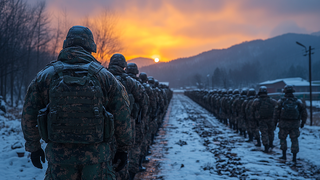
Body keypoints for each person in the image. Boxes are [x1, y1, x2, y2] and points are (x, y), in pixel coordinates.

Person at [21, 26, 132, 180]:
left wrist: (33, 147)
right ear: (91, 47)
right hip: (97, 159)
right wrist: (123, 149)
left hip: (59, 159)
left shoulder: (45, 76)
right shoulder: (105, 77)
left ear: (66, 44)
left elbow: (28, 115)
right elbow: (122, 116)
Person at [108, 54, 146, 180]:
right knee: (124, 158)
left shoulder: (101, 76)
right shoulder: (130, 82)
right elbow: (144, 100)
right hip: (127, 124)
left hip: (104, 126)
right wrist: (140, 117)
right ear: (123, 65)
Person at [273, 85, 307, 162]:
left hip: (283, 124)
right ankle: (294, 157)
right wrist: (303, 122)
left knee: (283, 139)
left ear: (284, 92)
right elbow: (304, 113)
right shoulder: (298, 102)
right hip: (295, 124)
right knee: (294, 140)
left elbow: (276, 114)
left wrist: (274, 123)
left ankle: (284, 155)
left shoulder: (280, 101)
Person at [251, 86, 277, 153]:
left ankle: (266, 147)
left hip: (261, 120)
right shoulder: (272, 101)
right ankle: (271, 144)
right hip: (271, 119)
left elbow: (252, 111)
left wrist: (255, 119)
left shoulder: (256, 101)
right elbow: (277, 110)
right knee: (271, 132)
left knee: (264, 133)